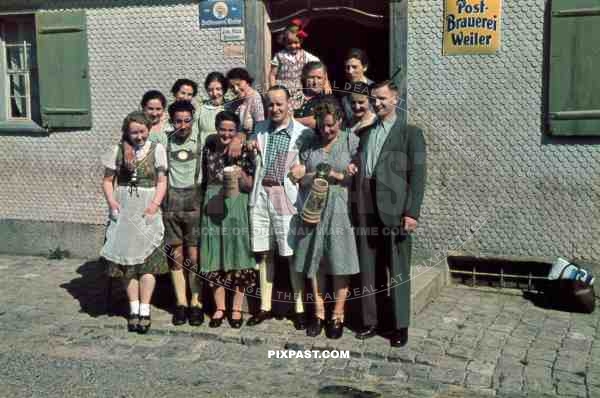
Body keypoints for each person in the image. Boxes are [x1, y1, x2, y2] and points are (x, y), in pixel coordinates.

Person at [347, 81, 426, 347]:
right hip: (367, 205)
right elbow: (363, 161)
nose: (377, 103)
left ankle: (399, 325)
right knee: (369, 268)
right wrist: (354, 167)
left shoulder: (410, 133)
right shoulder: (366, 132)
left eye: (382, 98)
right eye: (374, 99)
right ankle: (372, 321)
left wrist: (412, 213)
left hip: (396, 208)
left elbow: (418, 176)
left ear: (395, 99)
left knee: (398, 269)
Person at [245, 85, 314, 329]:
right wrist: (248, 141)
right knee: (264, 252)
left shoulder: (304, 133)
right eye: (270, 104)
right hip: (262, 194)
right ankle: (265, 306)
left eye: (279, 104)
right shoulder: (260, 129)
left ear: (289, 104)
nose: (274, 108)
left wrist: (305, 169)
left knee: (291, 253)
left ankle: (299, 308)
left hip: (287, 197)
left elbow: (313, 161)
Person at [293, 97, 360, 339]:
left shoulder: (351, 140)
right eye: (322, 125)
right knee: (316, 260)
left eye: (331, 125)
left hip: (340, 207)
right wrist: (314, 173)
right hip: (314, 206)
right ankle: (319, 314)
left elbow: (355, 177)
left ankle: (337, 315)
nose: (327, 130)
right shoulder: (310, 143)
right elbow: (300, 178)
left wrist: (337, 174)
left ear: (340, 120)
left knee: (340, 261)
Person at [100, 111, 168, 334]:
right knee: (128, 263)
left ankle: (146, 309)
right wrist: (112, 202)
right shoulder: (117, 151)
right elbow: (108, 180)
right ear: (127, 133)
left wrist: (155, 204)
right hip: (125, 208)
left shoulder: (157, 150)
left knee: (147, 262)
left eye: (142, 131)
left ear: (148, 129)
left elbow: (162, 180)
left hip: (147, 207)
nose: (138, 136)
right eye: (134, 132)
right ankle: (134, 308)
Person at [200, 111, 257, 329]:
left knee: (238, 254)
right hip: (212, 203)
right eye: (222, 129)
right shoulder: (209, 145)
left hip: (236, 205)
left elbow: (250, 184)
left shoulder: (243, 149)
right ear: (216, 128)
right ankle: (219, 308)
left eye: (231, 130)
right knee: (214, 254)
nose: (226, 133)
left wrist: (241, 172)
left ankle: (236, 308)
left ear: (236, 131)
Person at [162, 100, 205, 327]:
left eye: (187, 120)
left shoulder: (200, 140)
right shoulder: (163, 140)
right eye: (178, 121)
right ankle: (181, 303)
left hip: (195, 202)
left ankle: (197, 302)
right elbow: (136, 134)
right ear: (171, 121)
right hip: (172, 205)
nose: (182, 125)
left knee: (194, 257)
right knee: (176, 256)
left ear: (192, 120)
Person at [269, 19, 324, 111]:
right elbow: (272, 75)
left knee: (297, 112)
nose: (293, 46)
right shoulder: (279, 56)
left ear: (301, 41)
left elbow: (319, 65)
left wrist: (326, 83)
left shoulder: (305, 55)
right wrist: (273, 90)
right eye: (289, 43)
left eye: (296, 43)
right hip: (282, 91)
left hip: (298, 92)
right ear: (284, 42)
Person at [226, 67, 265, 134]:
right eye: (232, 87)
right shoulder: (235, 102)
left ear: (247, 82)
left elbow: (260, 126)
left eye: (238, 84)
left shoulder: (255, 98)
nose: (236, 89)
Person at [294, 61, 331, 129]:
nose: (315, 82)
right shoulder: (294, 96)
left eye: (319, 78)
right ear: (304, 78)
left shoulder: (328, 99)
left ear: (325, 80)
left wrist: (290, 121)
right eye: (311, 77)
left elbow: (316, 122)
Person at [341, 48, 374, 121]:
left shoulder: (375, 90)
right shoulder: (344, 94)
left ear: (365, 67)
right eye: (347, 67)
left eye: (354, 67)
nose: (350, 71)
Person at [197, 72, 228, 137]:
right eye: (210, 90)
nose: (214, 93)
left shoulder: (230, 108)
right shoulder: (200, 109)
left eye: (218, 89)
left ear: (224, 89)